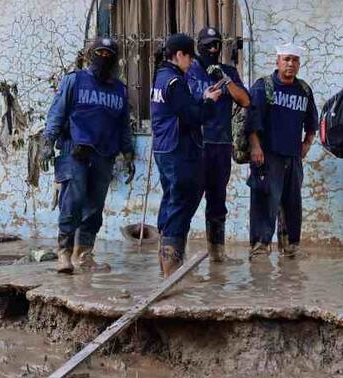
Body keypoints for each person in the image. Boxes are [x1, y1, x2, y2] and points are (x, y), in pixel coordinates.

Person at [42, 36, 134, 274]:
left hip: (105, 155)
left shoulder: (119, 90)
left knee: (94, 207)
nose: (104, 58)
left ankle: (84, 254)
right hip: (75, 151)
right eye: (100, 53)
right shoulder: (75, 81)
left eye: (109, 54)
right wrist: (47, 143)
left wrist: (129, 153)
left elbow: (123, 125)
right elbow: (57, 113)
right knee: (72, 203)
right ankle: (64, 254)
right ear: (91, 54)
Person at [151, 33, 223, 276]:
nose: (191, 62)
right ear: (179, 54)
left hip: (164, 148)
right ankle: (172, 268)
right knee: (183, 200)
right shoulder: (174, 81)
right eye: (189, 56)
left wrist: (201, 98)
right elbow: (192, 116)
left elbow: (180, 107)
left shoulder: (160, 78)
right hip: (178, 148)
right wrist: (210, 101)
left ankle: (167, 265)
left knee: (171, 199)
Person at [246, 44, 318, 258]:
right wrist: (256, 147)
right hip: (267, 157)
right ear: (277, 61)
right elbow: (251, 121)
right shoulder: (263, 87)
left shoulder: (303, 90)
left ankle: (290, 248)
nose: (290, 64)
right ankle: (260, 249)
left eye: (295, 60)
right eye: (286, 59)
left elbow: (312, 121)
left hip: (293, 158)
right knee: (264, 203)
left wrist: (307, 143)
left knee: (292, 205)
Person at [185, 26, 250, 262]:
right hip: (197, 144)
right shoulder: (189, 71)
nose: (213, 49)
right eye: (208, 45)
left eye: (216, 45)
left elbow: (245, 100)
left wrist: (224, 80)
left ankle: (217, 253)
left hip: (221, 144)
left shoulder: (227, 71)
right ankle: (175, 254)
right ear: (199, 45)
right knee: (189, 198)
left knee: (217, 200)